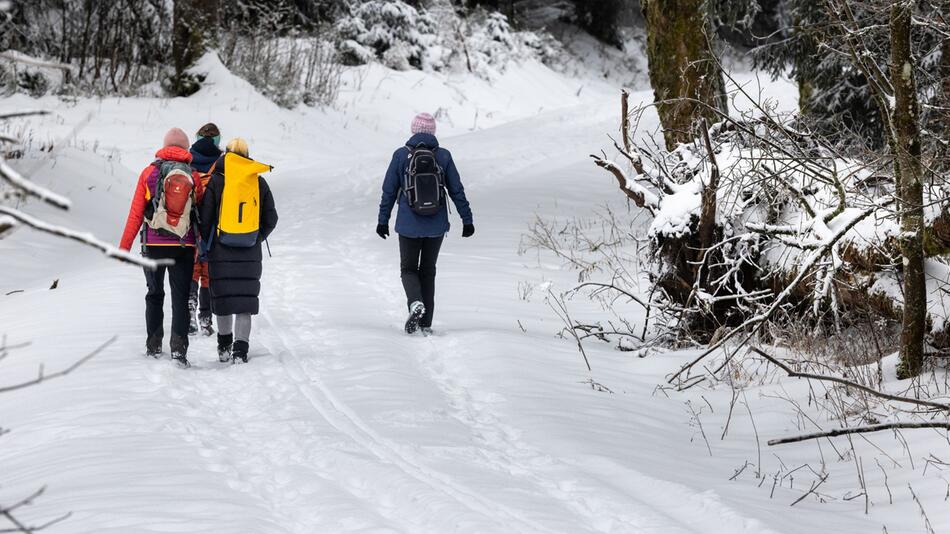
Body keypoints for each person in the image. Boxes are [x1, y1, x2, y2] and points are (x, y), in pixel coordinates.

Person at [377, 112, 474, 335]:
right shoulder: (444, 156)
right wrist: (467, 220)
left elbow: (389, 191)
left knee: (408, 269)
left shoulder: (401, 155)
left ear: (413, 130)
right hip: (436, 225)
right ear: (433, 132)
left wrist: (383, 220)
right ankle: (426, 322)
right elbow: (456, 190)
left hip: (408, 225)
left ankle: (415, 303)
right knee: (428, 271)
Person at [119, 128, 205, 366]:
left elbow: (136, 212)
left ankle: (154, 345)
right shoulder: (194, 175)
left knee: (154, 294)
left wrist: (124, 246)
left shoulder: (149, 173)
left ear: (165, 146)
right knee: (179, 298)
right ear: (186, 149)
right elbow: (198, 211)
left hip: (153, 245)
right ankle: (179, 350)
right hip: (183, 245)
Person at [199, 138, 278, 364]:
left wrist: (208, 243)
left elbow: (205, 220)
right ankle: (240, 350)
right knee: (244, 300)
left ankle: (224, 345)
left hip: (220, 251)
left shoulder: (216, 182)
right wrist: (256, 238)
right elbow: (272, 218)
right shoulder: (258, 182)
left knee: (223, 296)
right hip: (249, 252)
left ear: (226, 155)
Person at [187, 123, 222, 336]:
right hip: (213, 223)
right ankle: (206, 319)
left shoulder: (187, 159)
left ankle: (189, 309)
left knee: (192, 268)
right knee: (208, 272)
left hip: (190, 222)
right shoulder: (221, 162)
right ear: (217, 139)